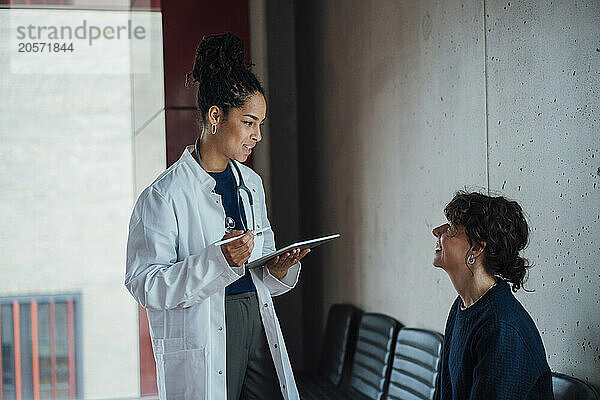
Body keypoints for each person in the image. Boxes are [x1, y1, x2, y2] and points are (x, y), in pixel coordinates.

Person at [125, 32, 309, 400]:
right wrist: (217, 260)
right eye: (249, 122)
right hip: (203, 329)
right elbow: (144, 284)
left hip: (254, 319)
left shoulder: (250, 183)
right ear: (215, 116)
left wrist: (274, 269)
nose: (257, 135)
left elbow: (257, 262)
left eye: (260, 124)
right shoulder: (164, 196)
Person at [432, 191, 554, 400]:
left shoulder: (500, 327)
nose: (436, 231)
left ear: (477, 247)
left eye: (451, 228)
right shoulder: (462, 306)